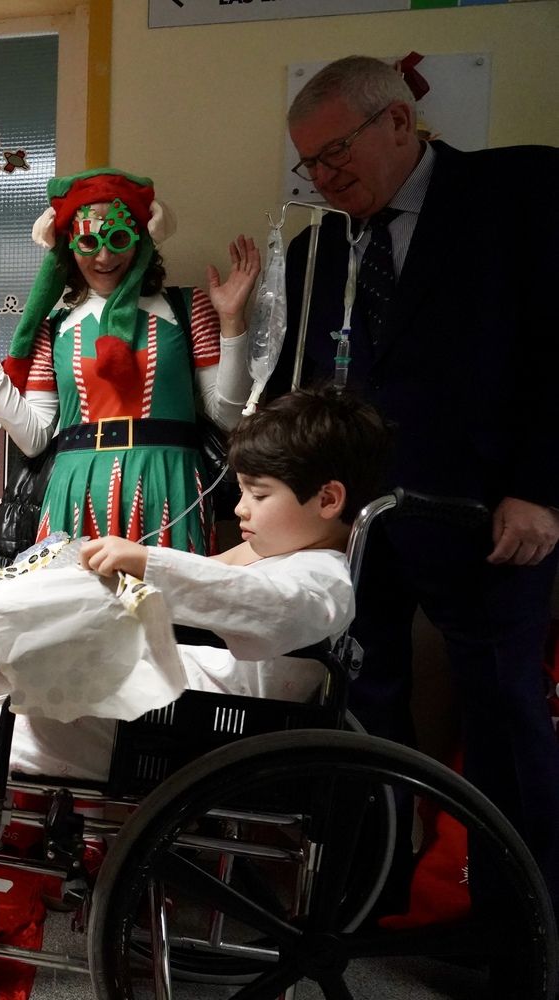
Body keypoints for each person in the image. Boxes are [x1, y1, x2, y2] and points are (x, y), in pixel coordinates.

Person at [0, 388, 390, 976]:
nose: (240, 509)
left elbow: (255, 602)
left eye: (259, 496)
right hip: (177, 716)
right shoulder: (286, 558)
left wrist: (146, 563)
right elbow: (226, 581)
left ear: (328, 499)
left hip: (194, 739)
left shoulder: (321, 583)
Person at [269, 55, 559, 908]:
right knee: (358, 708)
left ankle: (525, 928)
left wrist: (543, 488)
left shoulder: (521, 191)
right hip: (356, 526)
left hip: (490, 515)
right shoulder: (315, 249)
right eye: (309, 165)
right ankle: (368, 897)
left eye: (336, 152)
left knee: (504, 713)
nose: (324, 177)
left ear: (400, 121)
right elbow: (304, 388)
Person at [0, 168, 259, 560]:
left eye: (118, 238)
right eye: (89, 241)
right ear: (70, 246)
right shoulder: (51, 328)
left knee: (166, 617)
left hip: (169, 485)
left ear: (141, 239)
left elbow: (229, 418)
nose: (104, 256)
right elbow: (34, 438)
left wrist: (232, 321)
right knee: (77, 615)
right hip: (76, 488)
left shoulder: (189, 308)